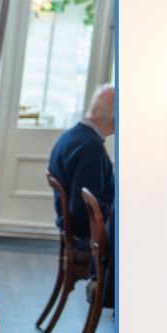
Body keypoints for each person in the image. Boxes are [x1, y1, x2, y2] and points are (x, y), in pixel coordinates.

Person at [48, 84, 115, 278]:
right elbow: (82, 208)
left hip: (71, 225)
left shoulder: (73, 135)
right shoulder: (90, 147)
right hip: (85, 233)